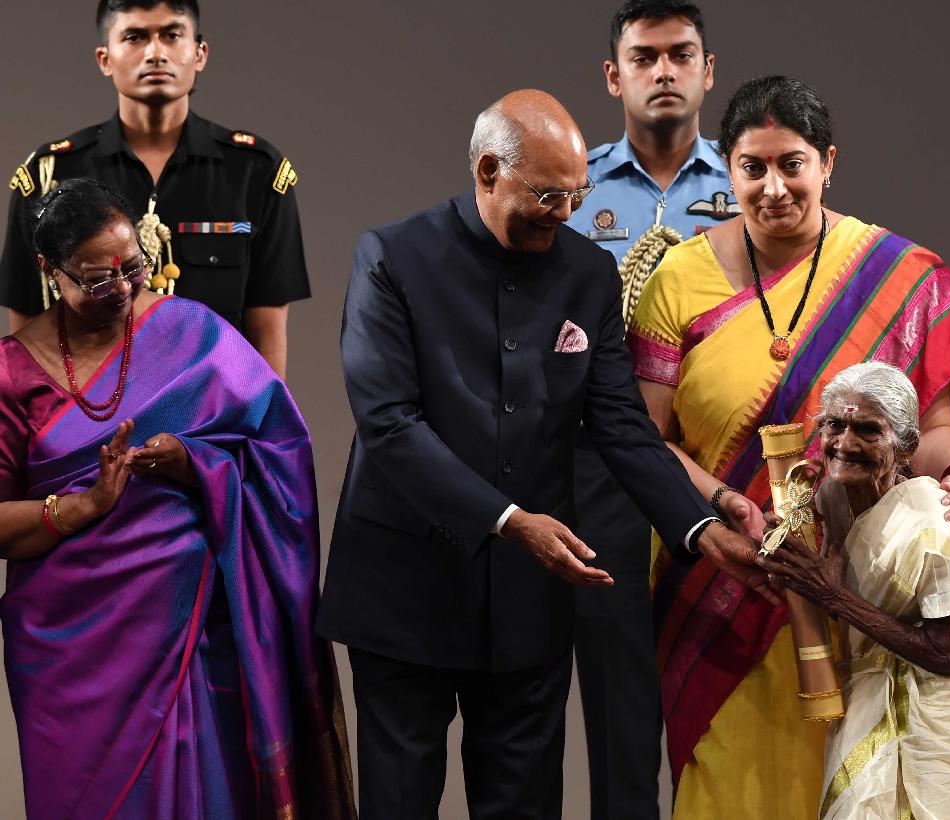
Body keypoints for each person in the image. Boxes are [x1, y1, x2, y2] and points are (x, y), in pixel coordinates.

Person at [316, 89, 771, 820]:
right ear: (488, 171)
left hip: (529, 606)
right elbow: (389, 423)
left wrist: (702, 526)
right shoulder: (392, 258)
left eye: (576, 197)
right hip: (404, 593)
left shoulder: (587, 274)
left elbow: (621, 424)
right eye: (549, 196)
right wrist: (509, 520)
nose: (564, 214)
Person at [629, 75, 950, 817]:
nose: (773, 187)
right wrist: (724, 509)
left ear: (827, 163)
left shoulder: (897, 276)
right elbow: (645, 439)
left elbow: (931, 430)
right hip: (723, 577)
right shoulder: (677, 279)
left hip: (858, 588)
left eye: (792, 164)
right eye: (752, 167)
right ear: (728, 167)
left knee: (851, 782)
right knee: (729, 783)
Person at [0, 177, 352, 818]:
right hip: (68, 656)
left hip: (195, 637)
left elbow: (278, 448)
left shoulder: (191, 331)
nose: (123, 289)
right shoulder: (10, 372)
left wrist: (195, 462)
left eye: (133, 268)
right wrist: (85, 506)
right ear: (50, 271)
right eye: (97, 280)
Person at [566, 2, 729, 815]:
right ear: (614, 75)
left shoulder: (749, 185)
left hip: (718, 469)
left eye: (680, 54)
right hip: (599, 468)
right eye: (644, 57)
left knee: (730, 696)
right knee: (621, 705)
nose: (663, 71)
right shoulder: (573, 185)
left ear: (707, 70)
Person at [755, 362, 950, 819]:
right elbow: (855, 593)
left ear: (906, 447)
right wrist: (790, 563)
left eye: (868, 430)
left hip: (939, 717)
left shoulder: (934, 521)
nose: (845, 444)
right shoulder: (832, 498)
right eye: (834, 426)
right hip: (868, 694)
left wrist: (831, 594)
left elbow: (946, 654)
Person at [1, 0, 309, 378]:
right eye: (134, 37)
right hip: (88, 407)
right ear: (105, 59)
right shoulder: (49, 175)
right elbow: (26, 340)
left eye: (172, 35)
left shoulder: (255, 172)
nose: (155, 53)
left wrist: (265, 416)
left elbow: (267, 337)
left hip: (215, 409)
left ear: (200, 53)